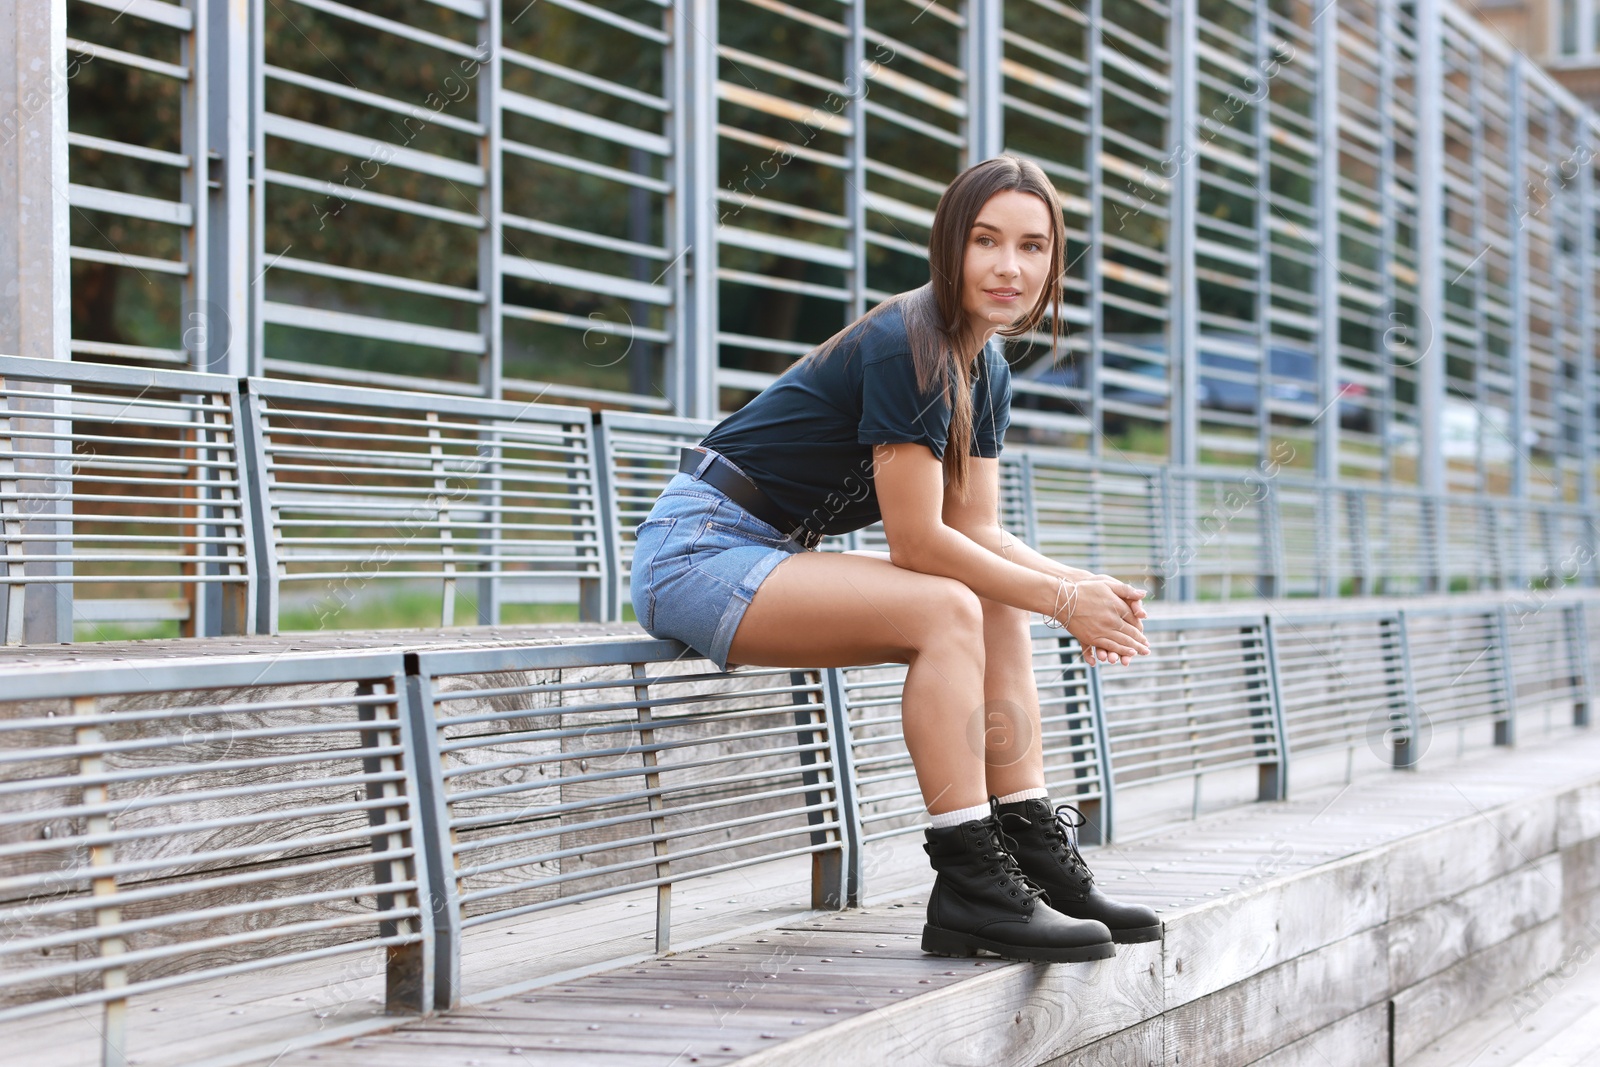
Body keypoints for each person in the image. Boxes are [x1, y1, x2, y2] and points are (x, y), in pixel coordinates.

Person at [631, 156, 1161, 963]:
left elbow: (976, 530)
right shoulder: (910, 342)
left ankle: (1031, 849)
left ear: (1055, 262)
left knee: (992, 597)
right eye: (986, 241)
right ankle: (971, 886)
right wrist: (1064, 599)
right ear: (949, 247)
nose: (1008, 267)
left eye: (1032, 246)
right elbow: (917, 544)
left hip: (767, 554)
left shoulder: (983, 364)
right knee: (947, 603)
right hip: (699, 551)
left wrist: (1078, 586)